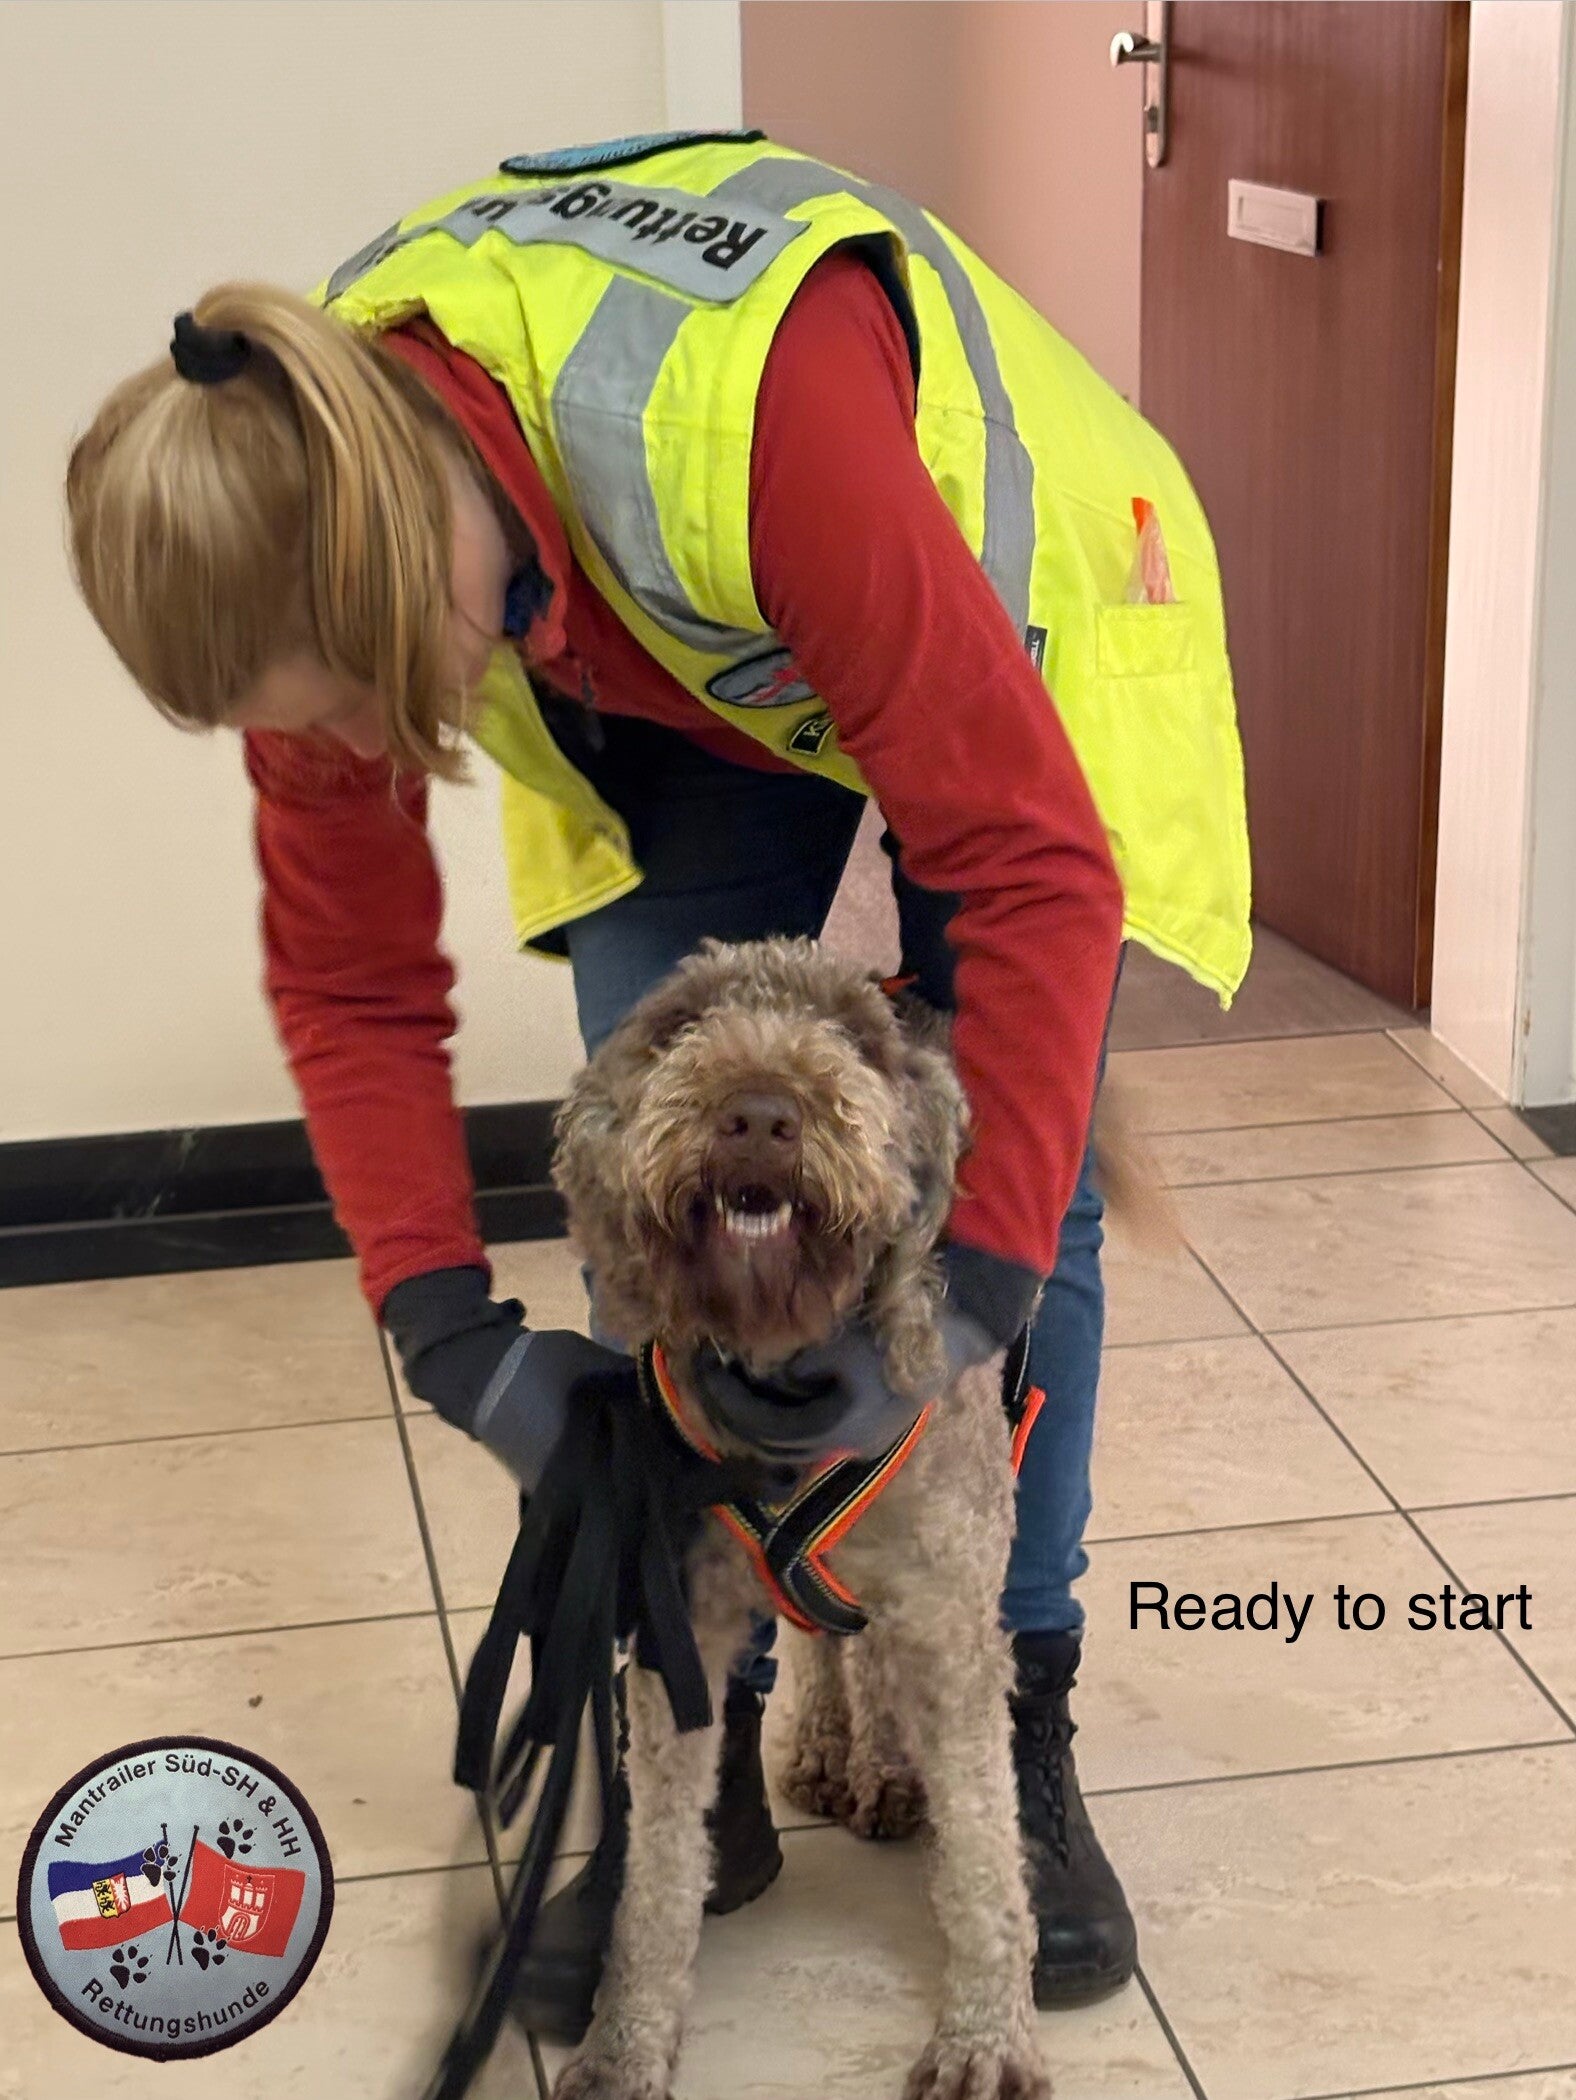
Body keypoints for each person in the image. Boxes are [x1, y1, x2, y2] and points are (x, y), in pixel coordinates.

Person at [66, 131, 1250, 2041]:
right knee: (666, 1167)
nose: (362, 748)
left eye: (356, 695)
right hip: (688, 663)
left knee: (1020, 1190)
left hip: (1008, 606)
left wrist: (968, 1302)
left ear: (394, 553)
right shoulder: (309, 499)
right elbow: (355, 983)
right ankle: (706, 1725)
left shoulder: (754, 419)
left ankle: (1021, 1700)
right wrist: (451, 1337)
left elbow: (1029, 872)